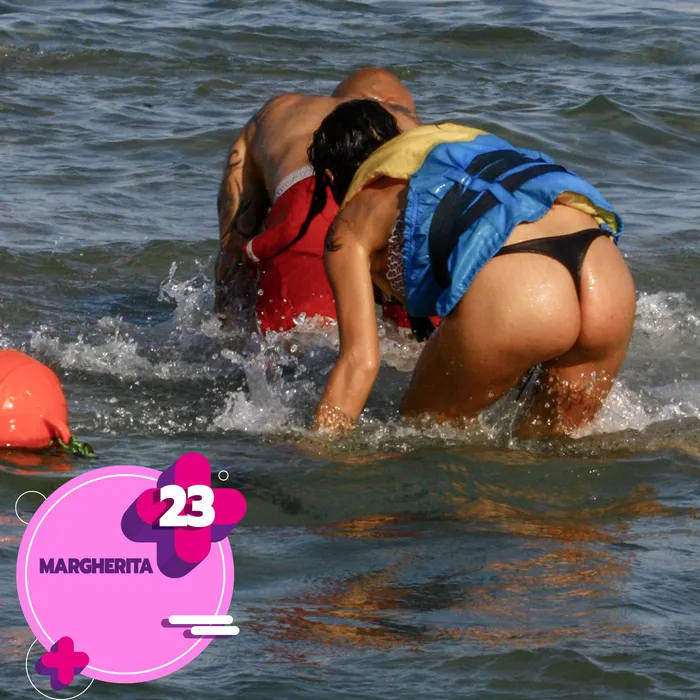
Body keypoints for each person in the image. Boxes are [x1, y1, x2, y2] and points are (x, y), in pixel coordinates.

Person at [306, 100, 636, 437]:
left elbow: (359, 362)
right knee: (554, 451)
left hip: (521, 287)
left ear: (330, 176)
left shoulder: (350, 225)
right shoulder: (452, 147)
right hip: (603, 270)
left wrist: (317, 450)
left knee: (421, 431)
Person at [215, 68, 420, 334]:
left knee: (297, 346)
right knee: (416, 346)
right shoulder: (410, 123)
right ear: (392, 101)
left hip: (309, 205)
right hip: (401, 208)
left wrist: (226, 326)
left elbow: (234, 247)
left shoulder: (276, 111)